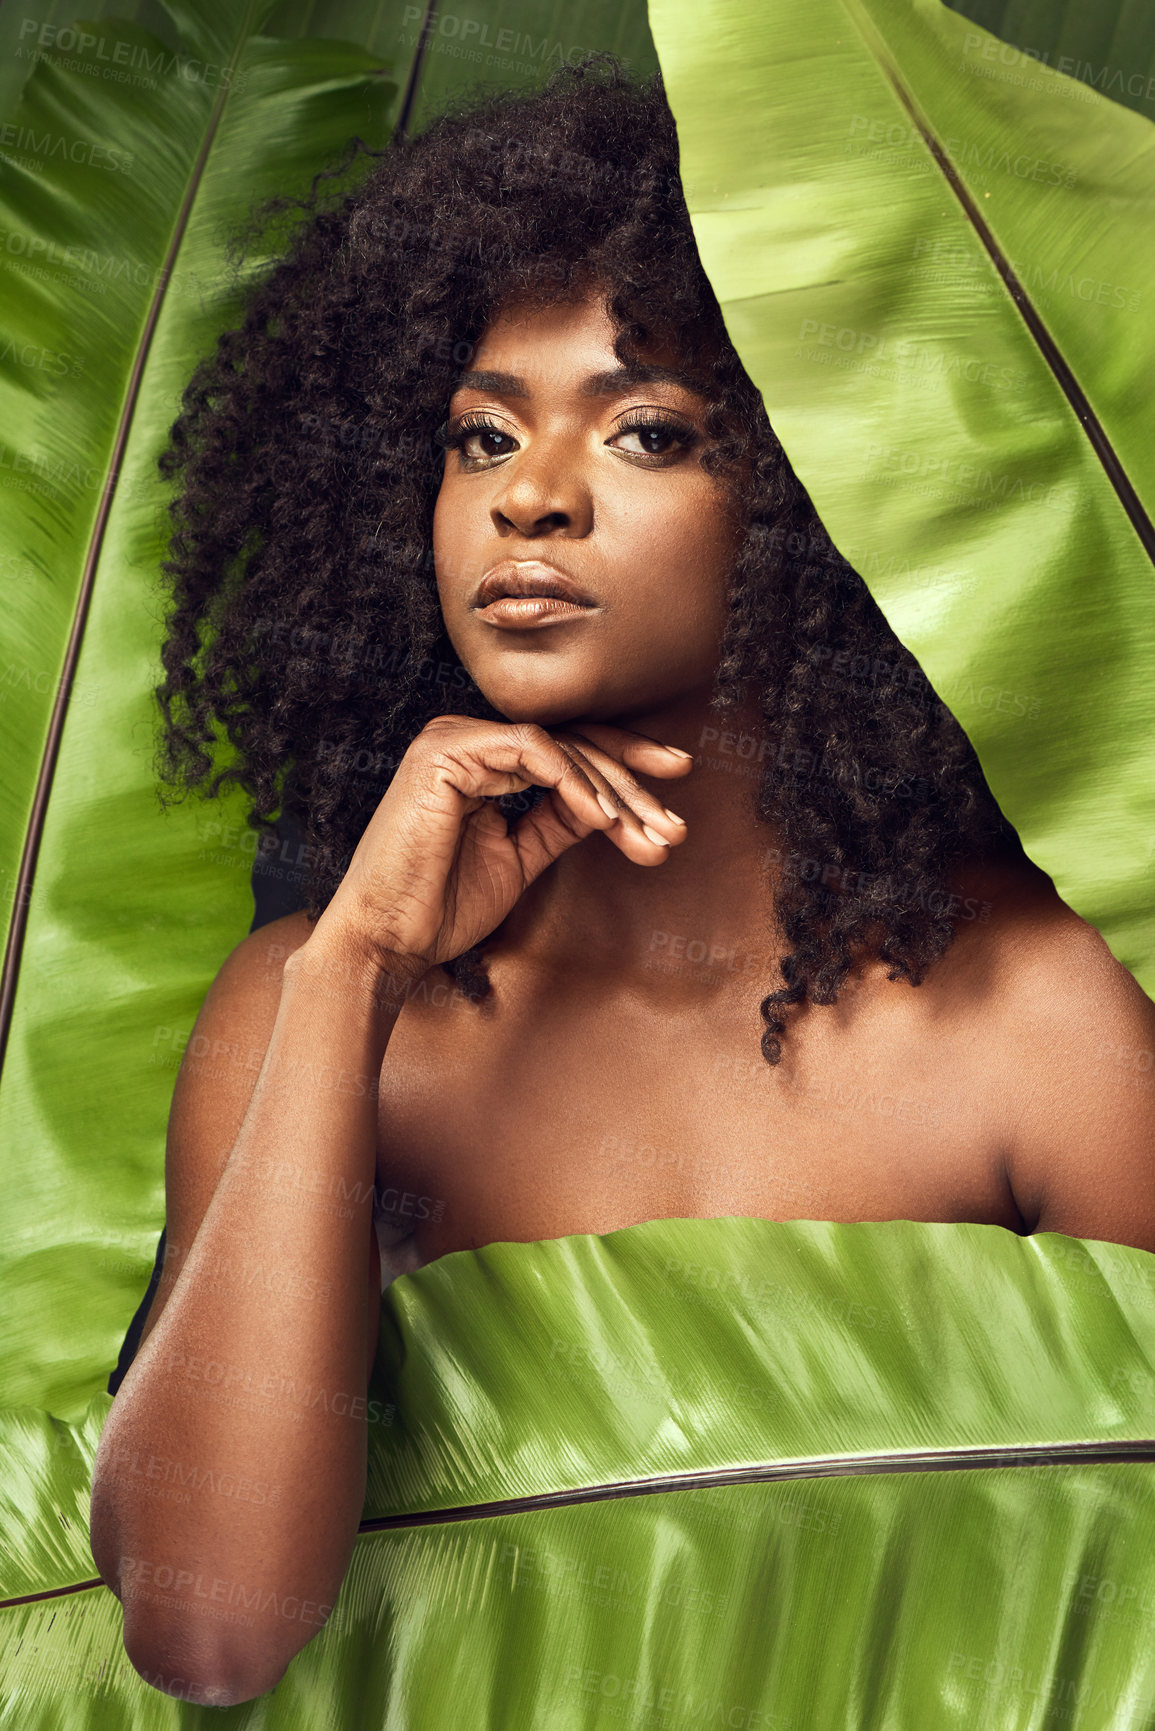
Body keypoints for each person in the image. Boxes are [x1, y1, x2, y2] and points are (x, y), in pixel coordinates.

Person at [89, 58, 1155, 1709]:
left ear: (815, 493)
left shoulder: (1038, 1027)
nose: (528, 495)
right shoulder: (321, 1007)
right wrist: (355, 967)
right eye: (481, 433)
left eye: (648, 430)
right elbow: (202, 1629)